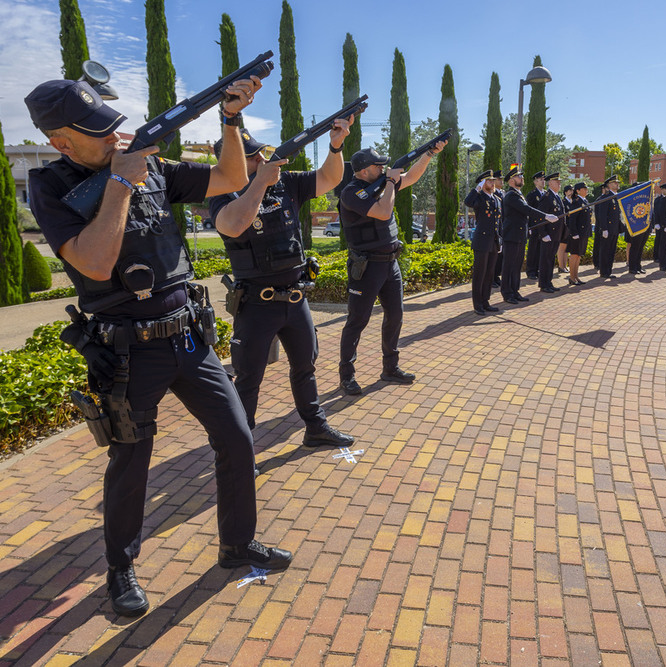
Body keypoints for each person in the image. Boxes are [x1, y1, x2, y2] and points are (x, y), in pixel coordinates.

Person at [25, 75, 292, 618]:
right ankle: (120, 568)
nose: (114, 140)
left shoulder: (151, 168)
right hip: (127, 350)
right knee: (132, 463)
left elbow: (230, 176)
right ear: (61, 142)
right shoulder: (51, 186)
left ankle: (236, 543)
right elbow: (94, 263)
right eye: (98, 134)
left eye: (113, 127)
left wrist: (231, 119)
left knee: (238, 438)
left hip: (189, 334)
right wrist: (122, 183)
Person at [208, 121, 355, 448]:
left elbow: (329, 178)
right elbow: (232, 225)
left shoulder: (284, 182)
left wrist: (336, 146)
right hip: (256, 305)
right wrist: (259, 183)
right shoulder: (221, 194)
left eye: (260, 153)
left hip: (295, 298)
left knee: (306, 366)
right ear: (227, 162)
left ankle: (315, 428)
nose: (261, 160)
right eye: (251, 157)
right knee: (248, 380)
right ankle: (241, 449)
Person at [337, 143, 446, 395]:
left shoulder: (382, 183)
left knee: (395, 316)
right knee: (357, 321)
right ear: (364, 171)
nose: (383, 168)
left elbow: (411, 177)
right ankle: (347, 375)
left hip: (390, 263)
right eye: (378, 165)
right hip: (366, 265)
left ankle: (390, 368)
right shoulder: (351, 193)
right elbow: (384, 213)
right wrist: (389, 182)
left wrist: (428, 154)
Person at [500, 165, 557, 303]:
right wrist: (545, 216)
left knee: (517, 265)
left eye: (521, 176)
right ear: (511, 180)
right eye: (519, 176)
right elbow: (526, 209)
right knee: (509, 266)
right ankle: (507, 293)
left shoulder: (519, 194)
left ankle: (515, 291)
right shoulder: (511, 196)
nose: (522, 178)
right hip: (511, 236)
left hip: (519, 236)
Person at [464, 169, 502, 314]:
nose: (492, 183)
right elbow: (468, 202)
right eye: (489, 181)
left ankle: (485, 301)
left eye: (493, 181)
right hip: (481, 241)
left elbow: (500, 222)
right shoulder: (479, 198)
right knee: (480, 274)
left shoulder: (497, 199)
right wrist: (477, 189)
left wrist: (500, 241)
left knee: (489, 274)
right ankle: (477, 304)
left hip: (493, 241)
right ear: (483, 183)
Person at [536, 172, 564, 292]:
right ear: (550, 183)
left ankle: (549, 282)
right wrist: (543, 234)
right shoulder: (546, 197)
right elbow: (540, 217)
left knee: (551, 259)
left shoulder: (556, 197)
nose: (559, 184)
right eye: (557, 181)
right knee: (545, 259)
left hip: (556, 234)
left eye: (559, 181)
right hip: (548, 234)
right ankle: (543, 284)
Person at [594, 176, 621, 278]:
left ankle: (608, 271)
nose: (617, 184)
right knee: (605, 251)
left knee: (611, 251)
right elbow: (602, 215)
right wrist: (604, 229)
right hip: (608, 230)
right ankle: (604, 271)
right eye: (614, 183)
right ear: (609, 185)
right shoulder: (606, 197)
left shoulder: (615, 196)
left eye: (617, 182)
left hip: (614, 229)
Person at [566, 182, 591, 285]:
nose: (586, 190)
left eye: (586, 188)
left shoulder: (584, 201)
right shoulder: (576, 202)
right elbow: (572, 219)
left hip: (583, 233)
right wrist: (574, 233)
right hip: (577, 233)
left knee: (579, 255)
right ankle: (572, 277)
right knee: (574, 255)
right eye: (584, 189)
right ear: (578, 191)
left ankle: (576, 276)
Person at [525, 171, 547, 279]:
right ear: (535, 182)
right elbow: (528, 212)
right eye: (541, 180)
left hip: (544, 226)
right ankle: (531, 271)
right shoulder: (532, 195)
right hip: (534, 226)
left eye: (544, 179)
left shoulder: (546, 194)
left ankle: (538, 269)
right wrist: (529, 227)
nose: (543, 181)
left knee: (541, 249)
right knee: (533, 249)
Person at [556, 184, 574, 274]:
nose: (571, 193)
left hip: (571, 228)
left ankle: (565, 266)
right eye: (569, 191)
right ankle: (561, 266)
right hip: (564, 227)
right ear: (566, 192)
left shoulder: (573, 202)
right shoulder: (563, 202)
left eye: (572, 191)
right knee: (562, 247)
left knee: (567, 248)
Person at [491, 170, 505, 288]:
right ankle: (491, 278)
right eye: (499, 179)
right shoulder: (494, 195)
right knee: (494, 256)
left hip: (503, 228)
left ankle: (496, 276)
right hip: (496, 229)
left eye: (502, 179)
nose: (501, 181)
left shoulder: (503, 193)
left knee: (501, 256)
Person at [652, 182, 666, 263]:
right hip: (660, 224)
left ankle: (663, 256)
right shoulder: (658, 199)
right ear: (662, 190)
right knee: (658, 240)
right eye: (665, 189)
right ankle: (656, 256)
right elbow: (656, 212)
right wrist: (656, 223)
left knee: (665, 242)